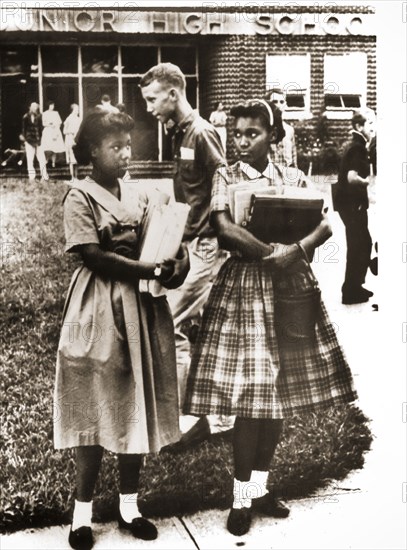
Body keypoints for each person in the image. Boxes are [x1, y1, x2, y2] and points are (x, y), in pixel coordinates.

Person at [183, 99, 358, 537]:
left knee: (276, 399)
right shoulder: (225, 175)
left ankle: (260, 488)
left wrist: (295, 252)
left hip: (291, 292)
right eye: (236, 134)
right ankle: (240, 497)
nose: (241, 141)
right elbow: (223, 227)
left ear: (273, 136)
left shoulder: (293, 177)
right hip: (245, 291)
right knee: (252, 398)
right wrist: (269, 254)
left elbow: (324, 223)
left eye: (252, 133)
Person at [53, 108, 190, 550]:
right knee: (95, 406)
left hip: (142, 307)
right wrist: (148, 266)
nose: (126, 154)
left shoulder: (142, 194)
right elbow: (93, 256)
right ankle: (82, 514)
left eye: (129, 145)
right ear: (92, 150)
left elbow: (165, 241)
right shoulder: (79, 195)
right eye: (115, 147)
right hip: (99, 306)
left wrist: (174, 264)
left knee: (136, 402)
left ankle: (130, 505)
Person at [140, 62, 228, 444]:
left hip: (206, 246)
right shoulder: (181, 134)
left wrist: (217, 238)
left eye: (152, 99)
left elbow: (223, 184)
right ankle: (223, 420)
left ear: (173, 94)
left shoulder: (202, 132)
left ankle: (186, 422)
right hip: (190, 246)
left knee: (170, 322)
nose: (149, 108)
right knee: (207, 331)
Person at [334, 109, 375, 305]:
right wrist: (367, 183)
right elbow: (352, 178)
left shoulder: (354, 145)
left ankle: (354, 286)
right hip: (353, 204)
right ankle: (351, 290)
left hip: (347, 203)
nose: (373, 129)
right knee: (360, 244)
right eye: (370, 124)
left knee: (361, 243)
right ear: (359, 126)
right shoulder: (358, 147)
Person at [265, 88, 297, 167]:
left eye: (281, 102)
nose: (278, 105)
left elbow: (294, 158)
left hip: (287, 174)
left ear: (285, 105)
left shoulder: (289, 130)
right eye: (275, 102)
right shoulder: (263, 129)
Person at [21, 102, 49, 181]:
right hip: (29, 141)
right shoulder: (25, 117)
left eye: (36, 108)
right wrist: (26, 139)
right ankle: (32, 177)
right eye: (33, 107)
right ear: (30, 108)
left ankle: (44, 176)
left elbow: (41, 128)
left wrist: (40, 139)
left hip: (37, 140)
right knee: (30, 159)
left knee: (42, 159)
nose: (34, 109)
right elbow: (24, 129)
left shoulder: (39, 116)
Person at [41, 101, 65, 168]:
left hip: (55, 130)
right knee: (48, 147)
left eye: (53, 105)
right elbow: (43, 123)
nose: (52, 107)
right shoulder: (44, 113)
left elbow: (59, 122)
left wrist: (56, 128)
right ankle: (46, 160)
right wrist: (49, 124)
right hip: (48, 131)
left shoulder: (56, 113)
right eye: (51, 105)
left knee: (55, 148)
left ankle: (53, 162)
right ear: (48, 106)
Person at [63, 103, 81, 181]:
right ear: (73, 110)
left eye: (78, 109)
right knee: (71, 159)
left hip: (76, 139)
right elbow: (64, 131)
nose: (77, 111)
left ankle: (76, 176)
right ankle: (72, 177)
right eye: (76, 109)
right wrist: (71, 132)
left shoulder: (78, 119)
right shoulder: (68, 119)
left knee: (76, 159)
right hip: (70, 139)